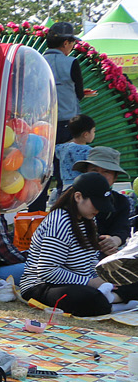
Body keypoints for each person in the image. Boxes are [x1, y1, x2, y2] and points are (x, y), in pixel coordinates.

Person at [19, 173, 137, 315]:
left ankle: (110, 298)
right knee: (87, 298)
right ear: (78, 197)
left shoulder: (89, 220)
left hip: (81, 281)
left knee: (130, 280)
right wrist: (91, 282)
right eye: (96, 203)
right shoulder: (60, 222)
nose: (98, 209)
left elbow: (90, 260)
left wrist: (102, 278)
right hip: (42, 285)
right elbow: (47, 271)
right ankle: (111, 302)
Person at [72, 146, 132, 248]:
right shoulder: (73, 197)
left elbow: (122, 228)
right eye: (94, 170)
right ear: (86, 173)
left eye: (106, 171)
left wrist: (114, 241)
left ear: (115, 177)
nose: (99, 176)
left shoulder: (121, 202)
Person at [43, 21, 85, 142]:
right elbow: (79, 94)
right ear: (66, 43)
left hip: (42, 122)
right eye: (72, 43)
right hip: (67, 122)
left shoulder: (38, 61)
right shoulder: (71, 62)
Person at [52, 114, 95, 194]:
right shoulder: (89, 151)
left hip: (65, 186)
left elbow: (54, 150)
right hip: (82, 186)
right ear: (86, 134)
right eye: (93, 131)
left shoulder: (62, 148)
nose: (94, 134)